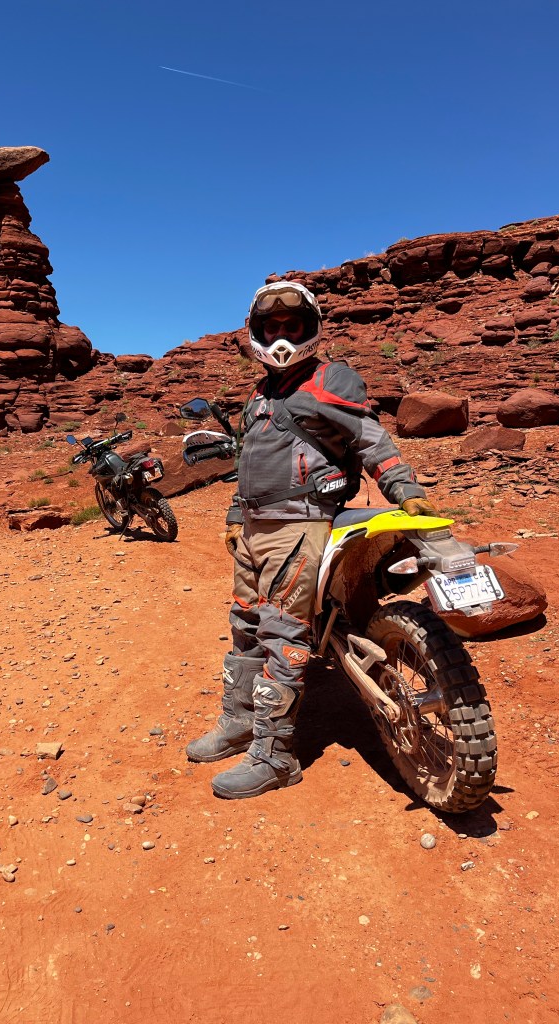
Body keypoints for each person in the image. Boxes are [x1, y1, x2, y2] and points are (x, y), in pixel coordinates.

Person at [186, 280, 435, 799]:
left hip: (301, 522)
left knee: (282, 632)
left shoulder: (331, 379)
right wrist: (235, 515)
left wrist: (404, 487)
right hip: (256, 526)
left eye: (292, 326)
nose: (281, 336)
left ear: (311, 329)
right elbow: (249, 460)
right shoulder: (261, 393)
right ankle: (240, 722)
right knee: (245, 626)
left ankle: (275, 755)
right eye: (271, 326)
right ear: (256, 333)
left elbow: (369, 437)